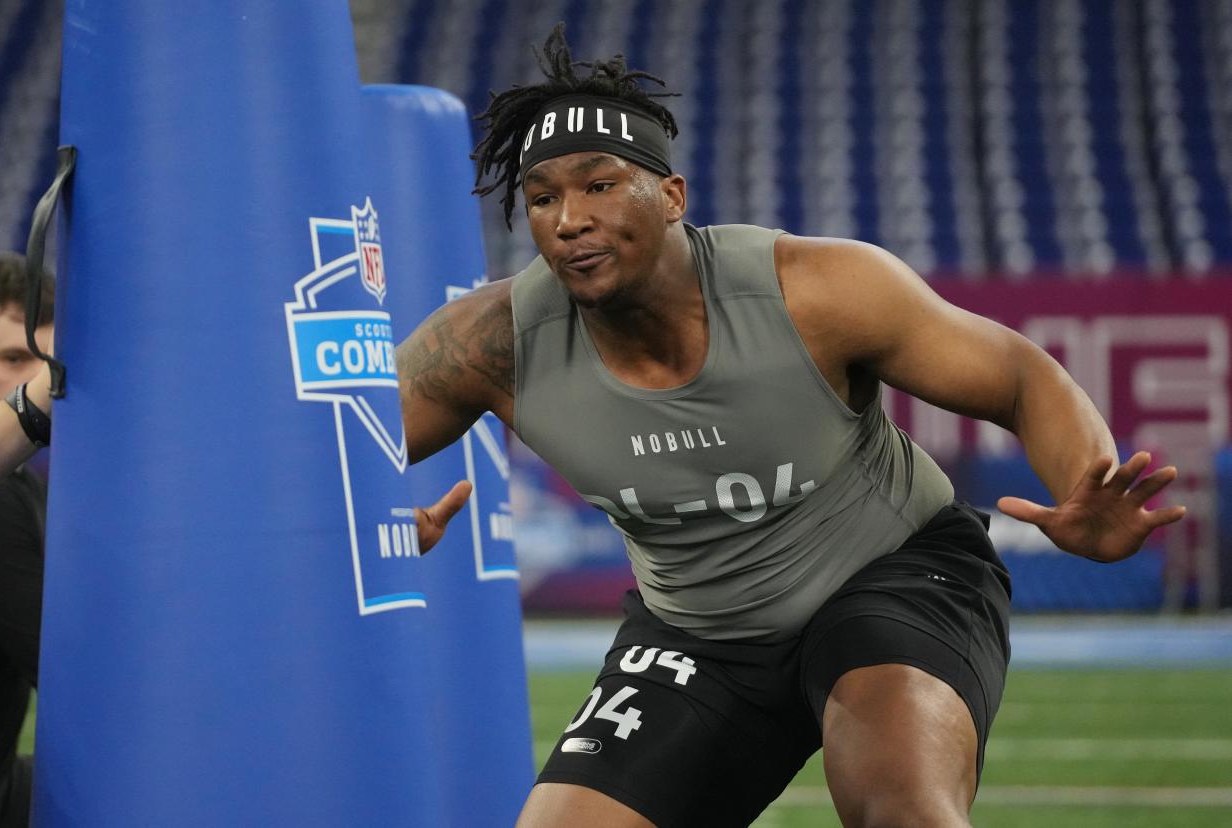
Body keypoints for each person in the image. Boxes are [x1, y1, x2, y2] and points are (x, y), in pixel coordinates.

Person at [394, 25, 1186, 828]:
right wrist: (380, 520)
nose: (568, 219)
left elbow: (1018, 375)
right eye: (542, 198)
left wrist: (1084, 472)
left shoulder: (814, 290)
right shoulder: (490, 343)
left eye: (599, 185)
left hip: (889, 575)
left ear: (671, 197)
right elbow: (334, 450)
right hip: (696, 630)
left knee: (903, 808)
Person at [0, 252, 54, 828]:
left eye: (43, 364)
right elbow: (65, 669)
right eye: (13, 359)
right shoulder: (2, 500)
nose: (33, 380)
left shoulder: (19, 489)